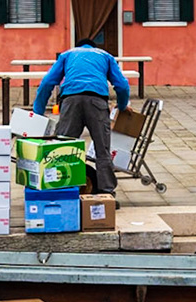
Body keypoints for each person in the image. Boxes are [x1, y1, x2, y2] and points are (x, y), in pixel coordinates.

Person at [33, 34, 132, 192]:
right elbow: (122, 85)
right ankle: (107, 193)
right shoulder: (105, 56)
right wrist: (121, 105)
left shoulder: (67, 55)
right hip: (97, 102)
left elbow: (47, 83)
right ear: (94, 47)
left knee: (62, 147)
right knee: (102, 150)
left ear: (78, 46)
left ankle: (60, 188)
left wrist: (37, 111)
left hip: (71, 101)